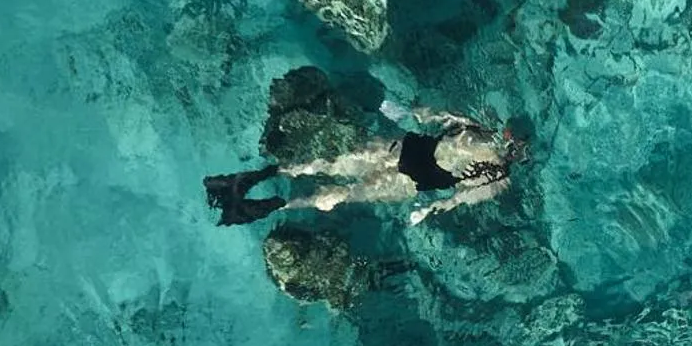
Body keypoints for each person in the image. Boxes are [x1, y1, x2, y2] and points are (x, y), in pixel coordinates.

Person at [205, 102, 521, 227]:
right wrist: (408, 111)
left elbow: (460, 198)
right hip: (407, 151)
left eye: (513, 144)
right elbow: (442, 117)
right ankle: (254, 180)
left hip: (415, 173)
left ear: (513, 152)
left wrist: (427, 210)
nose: (507, 141)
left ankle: (273, 203)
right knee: (331, 164)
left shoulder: (498, 176)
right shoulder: (481, 130)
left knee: (344, 189)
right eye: (511, 137)